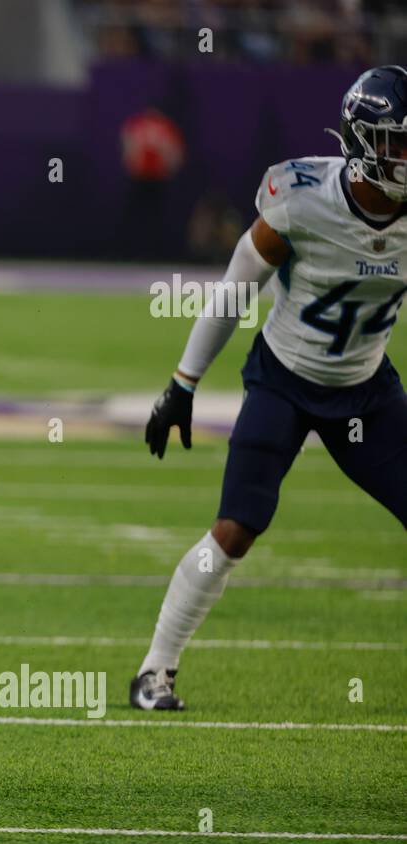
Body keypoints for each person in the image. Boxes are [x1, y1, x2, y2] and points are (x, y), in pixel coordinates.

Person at [133, 66, 407, 710]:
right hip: (284, 379)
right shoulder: (303, 195)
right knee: (237, 526)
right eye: (398, 142)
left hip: (366, 388)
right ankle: (155, 669)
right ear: (365, 142)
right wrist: (182, 383)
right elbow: (235, 289)